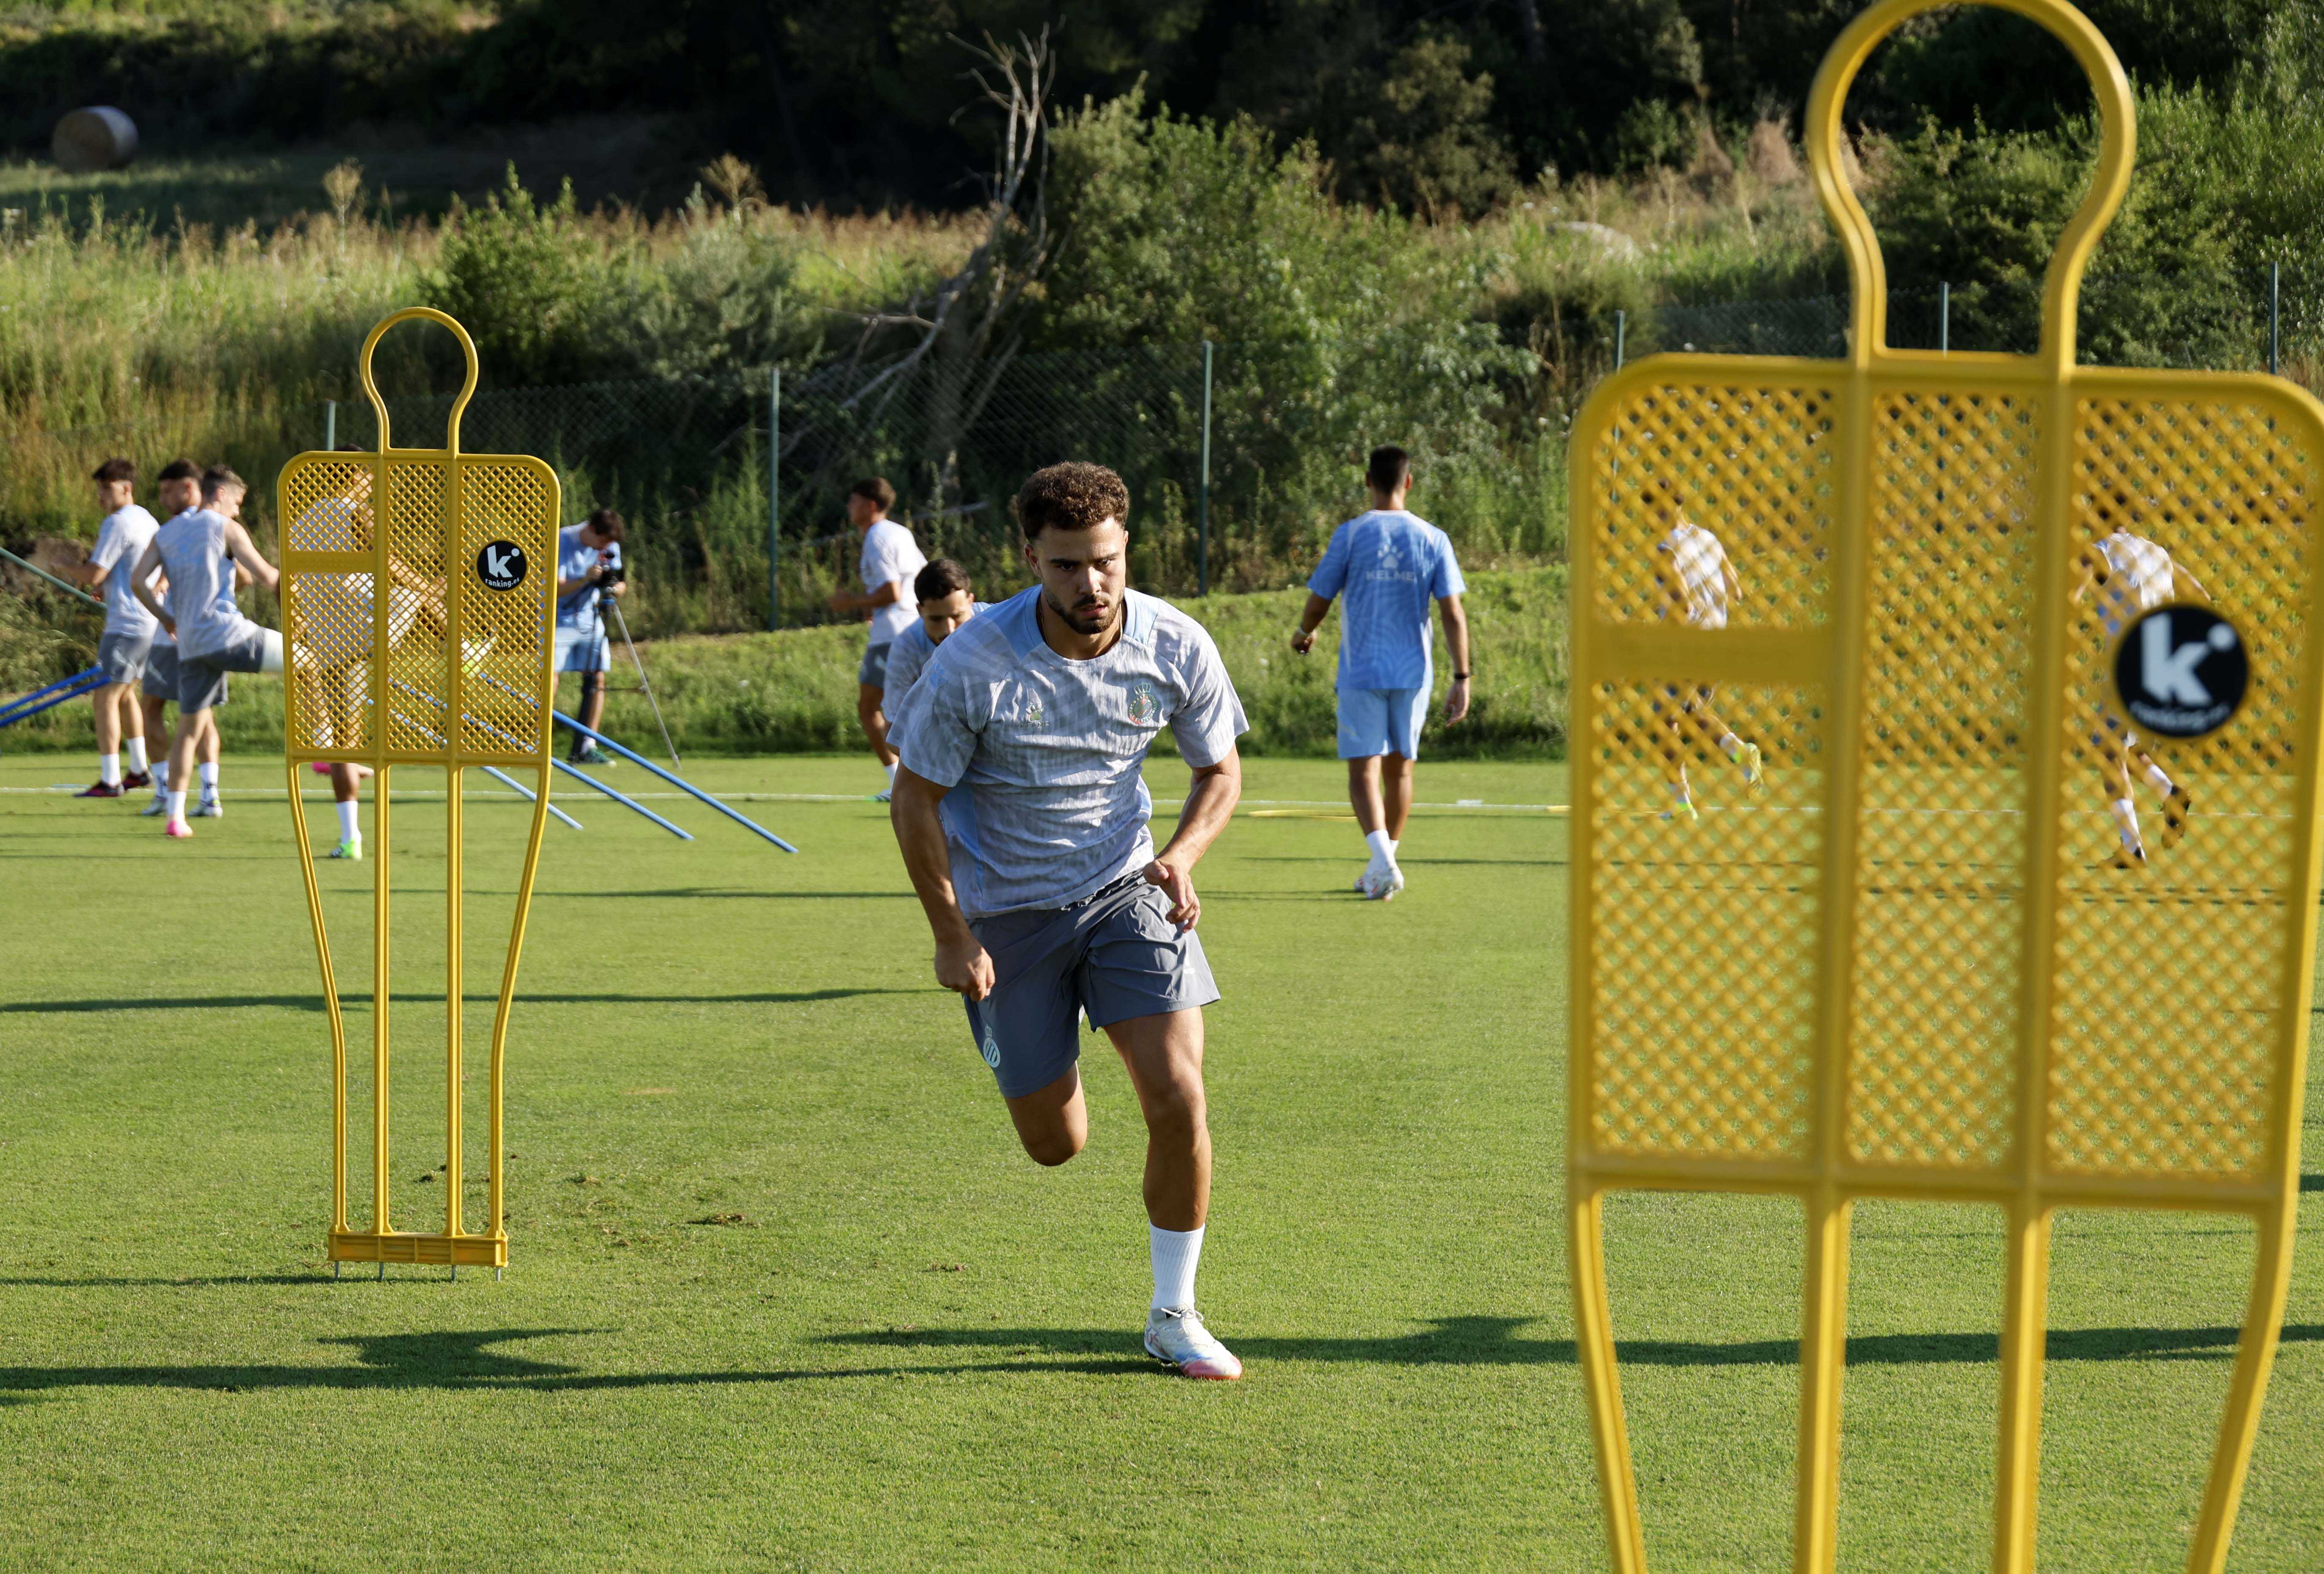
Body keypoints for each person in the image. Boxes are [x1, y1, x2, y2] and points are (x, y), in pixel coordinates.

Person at [888, 461, 1249, 1381]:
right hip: (1007, 915)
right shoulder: (973, 662)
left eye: (1105, 561)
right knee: (1056, 1145)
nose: (1091, 584)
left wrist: (1182, 855)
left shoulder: (1175, 644)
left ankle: (1174, 1313)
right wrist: (950, 933)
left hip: (1128, 888)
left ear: (1127, 547)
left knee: (1179, 1096)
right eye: (1065, 566)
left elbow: (1219, 771)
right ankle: (1029, 1029)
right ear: (1029, 560)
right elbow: (914, 798)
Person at [1291, 445, 1471, 901]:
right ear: (1408, 482)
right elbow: (1452, 612)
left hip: (1362, 671)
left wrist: (1304, 632)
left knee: (1363, 771)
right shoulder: (1433, 537)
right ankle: (1383, 865)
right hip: (1413, 673)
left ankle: (1383, 862)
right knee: (1400, 771)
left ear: (1369, 480)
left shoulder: (1351, 534)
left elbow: (1320, 600)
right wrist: (1462, 677)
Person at [130, 466, 283, 839]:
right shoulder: (226, 527)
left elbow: (138, 582)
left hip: (191, 645)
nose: (238, 511)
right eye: (238, 503)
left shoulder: (167, 533)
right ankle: (326, 745)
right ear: (221, 495)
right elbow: (268, 578)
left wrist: (166, 619)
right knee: (311, 661)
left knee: (189, 731)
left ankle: (176, 817)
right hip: (229, 635)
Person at [2072, 514, 2208, 865]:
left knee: (2109, 754)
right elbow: (2201, 596)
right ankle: (2171, 794)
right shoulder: (2156, 553)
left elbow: (2068, 600)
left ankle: (2131, 848)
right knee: (2128, 749)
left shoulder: (2099, 551)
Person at [1647, 495, 1763, 822]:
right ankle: (1741, 752)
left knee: (1664, 722)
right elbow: (1735, 590)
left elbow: (1682, 607)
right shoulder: (1708, 539)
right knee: (1692, 711)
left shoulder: (1665, 550)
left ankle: (1682, 805)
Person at [827, 477, 926, 801]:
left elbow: (892, 592)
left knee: (870, 707)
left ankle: (898, 782)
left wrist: (851, 602)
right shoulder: (899, 532)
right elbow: (915, 581)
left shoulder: (876, 537)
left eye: (854, 501)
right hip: (918, 628)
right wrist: (872, 605)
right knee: (916, 707)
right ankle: (920, 779)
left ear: (870, 505)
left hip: (892, 635)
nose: (849, 507)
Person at [132, 460, 219, 819]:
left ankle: (165, 791)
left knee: (152, 708)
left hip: (173, 636)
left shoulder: (174, 530)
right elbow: (243, 576)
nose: (162, 499)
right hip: (210, 635)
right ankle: (210, 795)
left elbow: (142, 581)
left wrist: (164, 609)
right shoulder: (220, 525)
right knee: (203, 716)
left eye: (168, 491)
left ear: (189, 488)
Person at [72, 458, 161, 799]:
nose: (101, 496)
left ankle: (110, 780)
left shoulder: (117, 522)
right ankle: (138, 771)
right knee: (124, 695)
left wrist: (64, 566)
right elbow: (125, 569)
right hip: (149, 622)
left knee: (105, 696)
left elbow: (94, 571)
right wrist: (107, 585)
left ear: (127, 488)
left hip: (127, 624)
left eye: (107, 489)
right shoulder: (147, 519)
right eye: (99, 489)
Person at [553, 508, 626, 767]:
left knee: (598, 677)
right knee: (550, 679)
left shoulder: (610, 545)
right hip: (557, 621)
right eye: (603, 542)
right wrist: (585, 578)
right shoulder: (562, 540)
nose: (606, 548)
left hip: (590, 620)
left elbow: (622, 582)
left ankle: (587, 746)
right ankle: (536, 744)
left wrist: (615, 589)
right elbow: (555, 588)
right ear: (593, 530)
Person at [877, 558, 981, 722]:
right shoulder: (906, 649)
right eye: (936, 619)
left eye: (957, 616)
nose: (949, 630)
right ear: (920, 611)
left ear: (971, 602)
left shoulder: (998, 624)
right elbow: (896, 726)